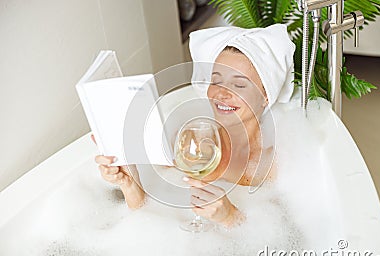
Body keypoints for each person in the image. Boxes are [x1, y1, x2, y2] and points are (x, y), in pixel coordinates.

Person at [94, 24, 295, 228]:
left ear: (265, 96)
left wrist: (231, 217)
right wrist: (129, 184)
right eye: (216, 81)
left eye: (239, 85)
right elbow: (148, 225)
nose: (221, 94)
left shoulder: (276, 166)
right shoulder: (186, 143)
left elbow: (283, 245)